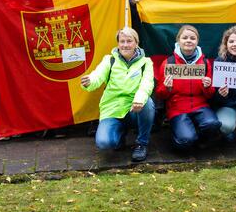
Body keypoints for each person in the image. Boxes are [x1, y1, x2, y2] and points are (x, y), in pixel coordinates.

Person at [81, 27, 155, 162]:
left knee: (148, 103)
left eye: (129, 41)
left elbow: (147, 84)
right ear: (118, 44)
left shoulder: (146, 62)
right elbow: (97, 76)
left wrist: (139, 99)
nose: (125, 45)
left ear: (136, 43)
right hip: (112, 109)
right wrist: (89, 82)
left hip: (134, 108)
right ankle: (120, 135)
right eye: (122, 41)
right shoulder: (109, 60)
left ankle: (141, 144)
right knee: (105, 143)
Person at [155, 25, 220, 151]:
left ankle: (198, 137)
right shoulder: (169, 63)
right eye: (185, 38)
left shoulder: (205, 63)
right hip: (177, 107)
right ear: (178, 40)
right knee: (185, 141)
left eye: (192, 38)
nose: (189, 40)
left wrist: (207, 86)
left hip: (200, 105)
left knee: (213, 124)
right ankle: (183, 134)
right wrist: (167, 88)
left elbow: (210, 94)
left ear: (197, 41)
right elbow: (160, 94)